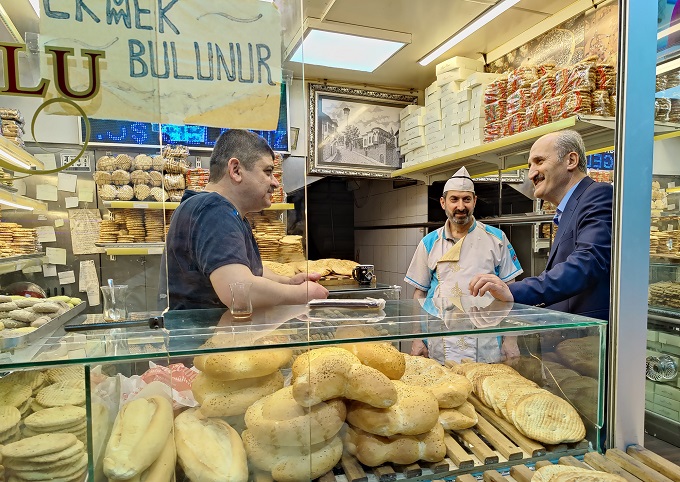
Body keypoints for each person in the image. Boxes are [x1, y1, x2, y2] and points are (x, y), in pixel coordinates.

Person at [163, 129, 328, 310]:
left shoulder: (222, 211)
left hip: (212, 335)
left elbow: (246, 269)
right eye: (268, 172)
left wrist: (288, 282)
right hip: (201, 336)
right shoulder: (214, 210)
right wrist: (302, 295)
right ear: (236, 170)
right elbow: (238, 291)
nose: (275, 183)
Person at [469, 130, 613, 321]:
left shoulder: (598, 195)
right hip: (571, 337)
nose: (531, 174)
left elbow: (588, 262)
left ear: (571, 161)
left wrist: (515, 292)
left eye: (539, 161)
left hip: (589, 336)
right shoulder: (570, 208)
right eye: (529, 166)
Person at [404, 166, 524, 363]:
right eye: (454, 199)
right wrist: (417, 337)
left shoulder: (497, 238)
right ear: (443, 203)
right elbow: (419, 294)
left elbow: (512, 291)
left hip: (485, 340)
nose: (461, 206)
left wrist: (511, 339)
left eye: (466, 199)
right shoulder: (429, 242)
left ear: (474, 201)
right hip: (441, 339)